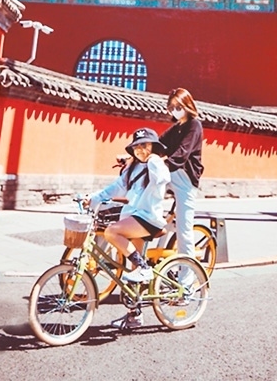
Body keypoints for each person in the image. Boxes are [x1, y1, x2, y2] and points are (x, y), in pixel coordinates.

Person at [86, 127, 170, 330]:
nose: (140, 150)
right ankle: (135, 316)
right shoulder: (133, 168)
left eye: (145, 145)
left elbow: (163, 178)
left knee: (112, 231)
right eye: (136, 146)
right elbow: (115, 187)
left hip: (148, 218)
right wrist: (94, 198)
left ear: (153, 146)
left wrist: (153, 159)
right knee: (131, 271)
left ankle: (144, 268)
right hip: (133, 217)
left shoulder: (155, 164)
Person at [159, 88, 204, 263]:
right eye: (171, 108)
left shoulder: (194, 125)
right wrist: (136, 153)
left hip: (186, 179)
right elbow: (158, 144)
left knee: (184, 229)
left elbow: (182, 153)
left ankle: (188, 276)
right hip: (171, 173)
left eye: (178, 107)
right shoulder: (176, 128)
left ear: (187, 105)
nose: (174, 111)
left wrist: (161, 164)